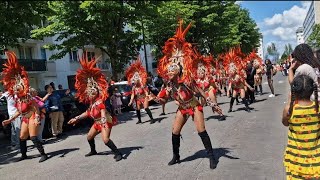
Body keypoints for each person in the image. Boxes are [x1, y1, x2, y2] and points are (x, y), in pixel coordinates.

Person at [156, 20, 218, 169]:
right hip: (182, 108)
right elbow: (163, 98)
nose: (168, 73)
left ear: (177, 72)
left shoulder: (187, 81)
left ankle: (212, 157)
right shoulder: (169, 85)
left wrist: (211, 103)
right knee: (175, 131)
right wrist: (158, 99)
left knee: (201, 130)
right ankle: (176, 156)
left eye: (171, 71)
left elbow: (201, 92)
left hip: (194, 106)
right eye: (168, 71)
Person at [68, 54, 122, 161]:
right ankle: (93, 150)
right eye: (89, 92)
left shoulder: (99, 101)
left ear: (97, 91)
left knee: (105, 140)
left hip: (105, 121)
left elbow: (103, 111)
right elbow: (88, 113)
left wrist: (102, 121)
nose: (91, 93)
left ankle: (118, 153)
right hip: (97, 122)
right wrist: (76, 118)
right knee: (89, 137)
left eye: (93, 91)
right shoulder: (92, 103)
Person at [1, 51, 48, 162]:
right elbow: (19, 111)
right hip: (25, 118)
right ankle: (24, 155)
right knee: (22, 137)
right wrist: (9, 119)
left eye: (18, 88)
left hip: (32, 117)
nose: (16, 90)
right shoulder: (18, 99)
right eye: (15, 88)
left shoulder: (28, 97)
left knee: (33, 137)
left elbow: (36, 106)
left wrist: (37, 117)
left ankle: (43, 154)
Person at [282, 75, 320, 179]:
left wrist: (290, 101)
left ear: (294, 91)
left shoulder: (289, 110)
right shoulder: (318, 108)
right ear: (312, 90)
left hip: (296, 160)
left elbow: (285, 123)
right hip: (316, 160)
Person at [194, 53, 226, 120]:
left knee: (213, 103)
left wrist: (220, 89)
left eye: (202, 73)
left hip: (210, 90)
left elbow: (215, 84)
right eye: (198, 73)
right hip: (203, 93)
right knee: (200, 105)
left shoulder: (208, 78)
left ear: (204, 72)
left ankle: (221, 114)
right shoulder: (197, 81)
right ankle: (198, 117)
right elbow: (196, 89)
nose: (200, 74)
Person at [126, 60, 155, 124]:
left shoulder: (142, 86)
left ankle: (152, 119)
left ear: (138, 80)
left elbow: (146, 91)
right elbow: (132, 95)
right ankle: (139, 120)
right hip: (138, 99)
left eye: (136, 81)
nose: (134, 82)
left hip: (144, 98)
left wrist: (147, 95)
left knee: (146, 108)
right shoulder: (134, 87)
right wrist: (130, 102)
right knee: (137, 109)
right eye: (134, 81)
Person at [225, 47, 254, 113]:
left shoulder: (238, 76)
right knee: (233, 98)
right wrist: (228, 90)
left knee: (243, 98)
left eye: (232, 70)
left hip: (241, 87)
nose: (231, 72)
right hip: (235, 88)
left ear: (235, 70)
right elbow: (230, 83)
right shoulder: (230, 76)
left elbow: (244, 82)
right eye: (230, 70)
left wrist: (250, 87)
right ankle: (230, 108)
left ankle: (247, 108)